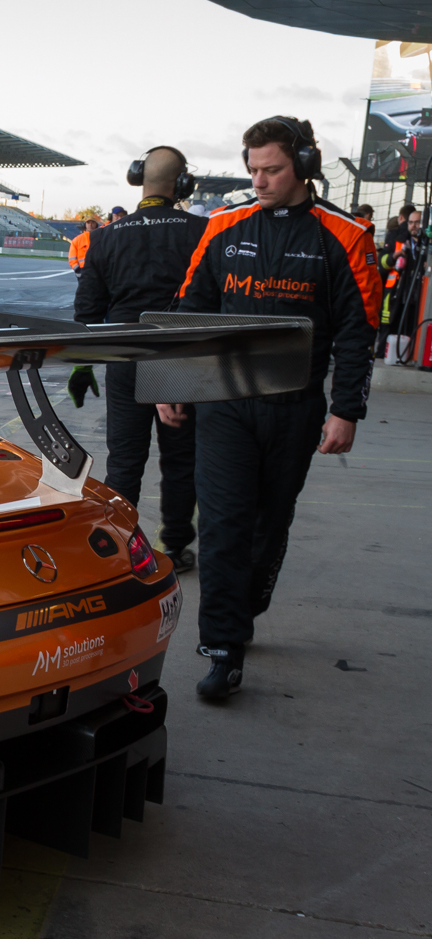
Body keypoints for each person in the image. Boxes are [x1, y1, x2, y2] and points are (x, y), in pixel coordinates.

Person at [168, 116, 380, 699]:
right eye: (252, 169)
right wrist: (173, 383)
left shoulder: (345, 237)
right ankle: (222, 648)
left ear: (304, 167)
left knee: (268, 523)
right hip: (226, 405)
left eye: (272, 169)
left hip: (295, 407)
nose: (259, 180)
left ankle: (251, 596)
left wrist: (346, 410)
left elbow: (359, 333)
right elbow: (190, 312)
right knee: (222, 525)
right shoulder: (222, 226)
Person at [73, 145, 209, 570]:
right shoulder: (203, 231)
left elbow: (87, 313)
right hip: (180, 362)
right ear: (182, 183)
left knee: (125, 460)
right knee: (181, 461)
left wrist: (81, 364)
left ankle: (120, 549)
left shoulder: (106, 236)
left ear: (138, 179)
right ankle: (174, 545)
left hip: (124, 358)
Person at [382, 208, 423, 363]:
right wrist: (395, 256)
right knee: (394, 327)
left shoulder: (426, 244)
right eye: (411, 222)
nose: (414, 226)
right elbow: (382, 263)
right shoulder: (398, 240)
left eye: (417, 222)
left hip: (420, 297)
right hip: (397, 294)